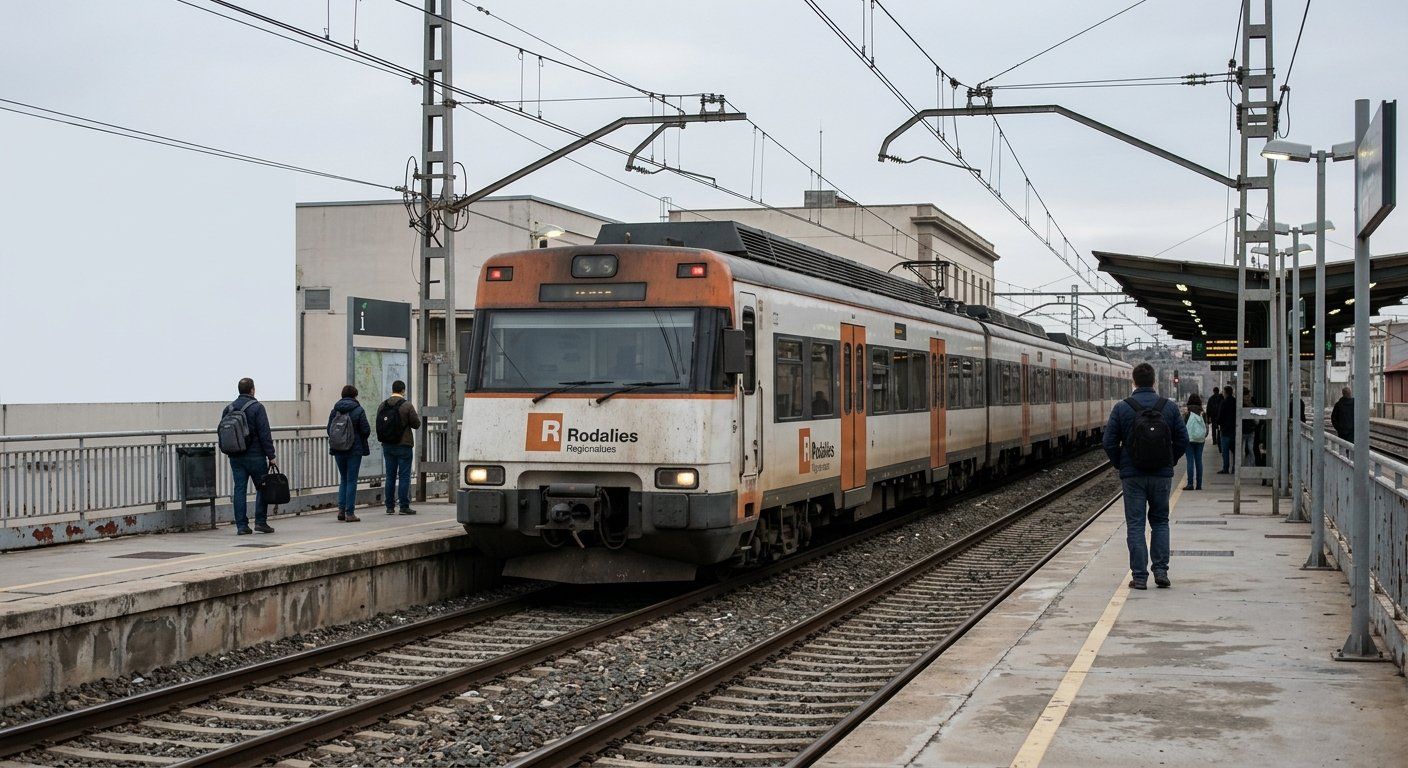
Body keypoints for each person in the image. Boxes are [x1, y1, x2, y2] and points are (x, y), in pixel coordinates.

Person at [1102, 362, 1189, 590]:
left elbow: (1108, 442)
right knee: (1160, 521)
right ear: (1154, 382)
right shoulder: (1168, 408)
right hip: (1161, 475)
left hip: (1133, 477)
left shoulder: (1122, 408)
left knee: (1136, 524)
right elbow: (1183, 440)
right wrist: (1170, 461)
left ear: (1134, 381)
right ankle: (1161, 571)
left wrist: (1121, 464)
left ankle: (1139, 577)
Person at [220, 378, 276, 535]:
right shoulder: (257, 408)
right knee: (262, 488)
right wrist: (271, 455)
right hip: (256, 456)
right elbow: (265, 433)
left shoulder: (228, 409)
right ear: (252, 390)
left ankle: (242, 526)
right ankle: (260, 522)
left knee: (239, 489)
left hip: (236, 456)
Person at [377, 380, 422, 515]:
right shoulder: (407, 405)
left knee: (390, 476)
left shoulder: (382, 405)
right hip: (404, 445)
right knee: (404, 476)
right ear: (403, 390)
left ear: (392, 390)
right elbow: (416, 424)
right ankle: (403, 506)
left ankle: (389, 507)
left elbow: (379, 424)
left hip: (387, 445)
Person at [328, 385, 371, 522]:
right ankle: (350, 513)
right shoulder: (358, 410)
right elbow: (366, 429)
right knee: (352, 480)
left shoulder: (335, 410)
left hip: (338, 449)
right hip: (354, 449)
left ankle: (341, 510)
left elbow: (329, 429)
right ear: (355, 396)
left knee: (344, 479)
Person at [1183, 393, 1207, 491]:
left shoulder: (1187, 412)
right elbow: (1206, 426)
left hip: (1189, 439)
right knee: (1199, 461)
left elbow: (1183, 426)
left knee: (1190, 461)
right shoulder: (1202, 412)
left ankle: (1190, 484)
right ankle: (1199, 484)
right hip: (1200, 439)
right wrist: (1203, 435)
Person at [1217, 385, 1238, 474]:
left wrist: (1218, 422)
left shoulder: (1224, 402)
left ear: (1226, 393)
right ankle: (1234, 468)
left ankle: (1226, 468)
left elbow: (1220, 415)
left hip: (1225, 430)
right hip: (1234, 429)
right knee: (1234, 451)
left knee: (1225, 452)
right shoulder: (1235, 402)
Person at [1241, 388, 1258, 466]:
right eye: (1247, 396)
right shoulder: (1242, 405)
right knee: (1245, 449)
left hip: (1249, 430)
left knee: (1250, 449)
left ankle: (1251, 464)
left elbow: (1257, 417)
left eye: (1249, 397)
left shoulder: (1250, 404)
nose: (1248, 398)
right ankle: (1243, 465)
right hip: (1244, 430)